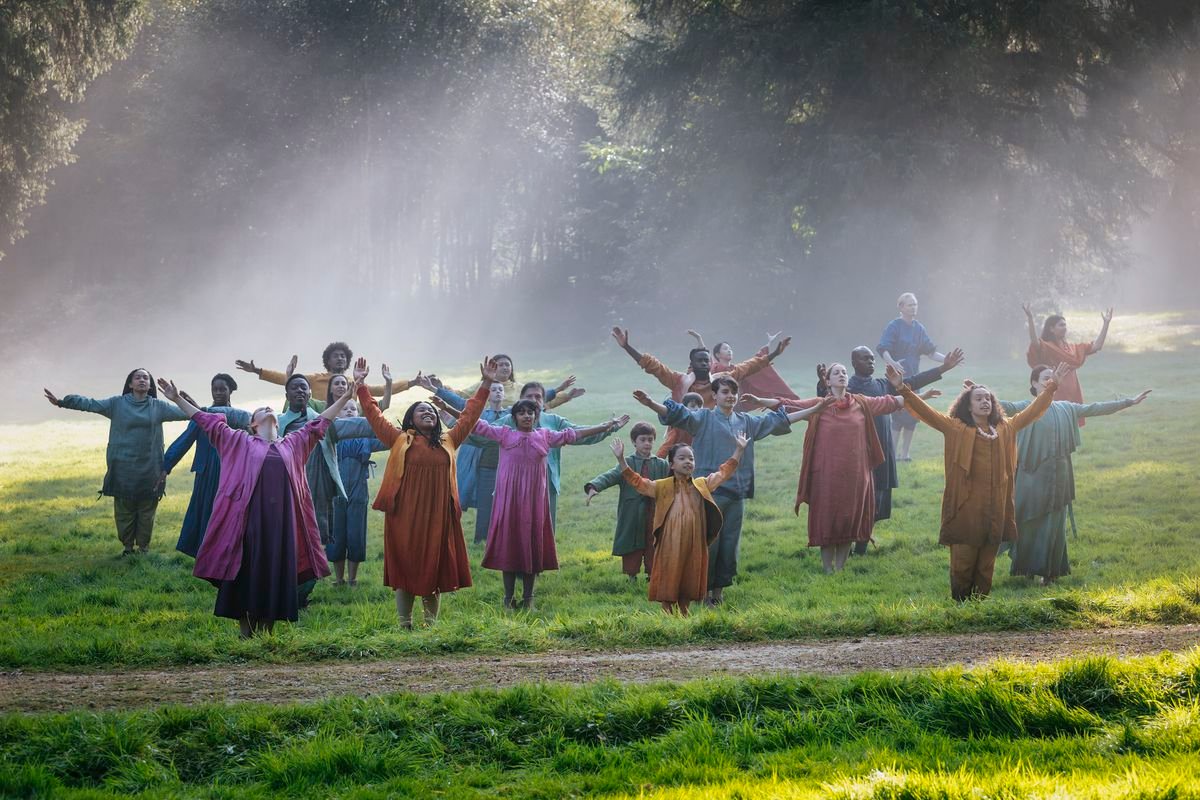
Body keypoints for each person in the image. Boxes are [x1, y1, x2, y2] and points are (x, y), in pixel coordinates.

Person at [155, 373, 357, 637]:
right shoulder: (238, 441)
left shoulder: (293, 444)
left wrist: (344, 398)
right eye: (262, 410)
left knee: (275, 572)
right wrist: (177, 398)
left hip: (281, 526)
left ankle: (266, 633)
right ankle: (245, 632)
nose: (269, 409)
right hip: (247, 524)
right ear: (253, 424)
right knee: (247, 573)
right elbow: (207, 422)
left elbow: (321, 423)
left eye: (270, 409)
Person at [887, 362, 1069, 601]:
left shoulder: (1005, 427)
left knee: (987, 562)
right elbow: (925, 412)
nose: (985, 402)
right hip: (966, 505)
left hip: (996, 505)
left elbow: (1034, 411)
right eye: (979, 399)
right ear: (968, 405)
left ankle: (980, 605)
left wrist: (1051, 386)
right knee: (963, 560)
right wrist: (902, 388)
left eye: (989, 399)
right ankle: (961, 604)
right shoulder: (955, 428)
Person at [353, 358, 497, 628]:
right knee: (406, 566)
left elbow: (470, 414)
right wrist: (360, 384)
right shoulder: (398, 439)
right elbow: (373, 414)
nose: (428, 412)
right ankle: (404, 623)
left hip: (439, 514)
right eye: (421, 410)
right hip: (404, 514)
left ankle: (431, 625)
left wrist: (486, 383)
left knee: (435, 566)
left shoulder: (450, 439)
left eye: (430, 410)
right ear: (410, 419)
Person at [633, 376, 794, 606]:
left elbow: (775, 422)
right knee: (709, 544)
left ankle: (718, 593)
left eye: (733, 392)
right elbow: (679, 414)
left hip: (736, 493)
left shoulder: (745, 421)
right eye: (725, 392)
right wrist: (650, 403)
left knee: (729, 545)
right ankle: (703, 591)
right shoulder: (704, 418)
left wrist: (814, 410)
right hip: (709, 492)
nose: (730, 396)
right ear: (715, 396)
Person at [748, 363, 909, 574]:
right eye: (836, 372)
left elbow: (891, 402)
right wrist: (761, 401)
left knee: (848, 520)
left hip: (855, 476)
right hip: (826, 475)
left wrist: (918, 396)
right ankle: (827, 569)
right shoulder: (818, 405)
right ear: (828, 380)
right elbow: (789, 405)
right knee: (827, 518)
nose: (841, 375)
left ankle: (840, 569)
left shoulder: (861, 403)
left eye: (844, 372)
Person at [998, 366, 1150, 583]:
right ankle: (1028, 568)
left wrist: (1128, 402)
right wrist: (977, 393)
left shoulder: (1066, 408)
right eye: (1045, 378)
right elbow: (1001, 407)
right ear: (1033, 383)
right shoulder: (1024, 407)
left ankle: (1049, 573)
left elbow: (1095, 408)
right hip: (1030, 476)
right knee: (1027, 522)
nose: (1051, 380)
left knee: (1054, 525)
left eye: (1053, 377)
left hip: (1060, 477)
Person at [814, 346, 965, 554]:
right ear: (854, 363)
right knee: (853, 501)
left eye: (871, 358)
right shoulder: (847, 388)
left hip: (883, 449)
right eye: (865, 359)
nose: (871, 362)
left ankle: (861, 547)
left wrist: (944, 368)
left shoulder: (882, 384)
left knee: (876, 502)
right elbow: (826, 403)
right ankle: (845, 544)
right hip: (856, 453)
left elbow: (913, 382)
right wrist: (822, 386)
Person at [475, 400, 624, 610]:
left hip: (534, 503)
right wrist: (448, 409)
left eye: (531, 412)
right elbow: (476, 424)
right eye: (522, 413)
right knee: (509, 546)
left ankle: (529, 599)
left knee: (531, 547)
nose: (527, 416)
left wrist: (605, 426)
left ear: (536, 416)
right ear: (514, 417)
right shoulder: (505, 434)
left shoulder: (545, 435)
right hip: (509, 501)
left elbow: (574, 434)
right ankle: (508, 599)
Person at [44, 369, 189, 556]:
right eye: (137, 377)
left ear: (151, 385)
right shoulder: (116, 404)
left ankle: (143, 549)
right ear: (130, 384)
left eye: (146, 378)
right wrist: (63, 402)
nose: (142, 380)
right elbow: (90, 404)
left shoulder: (159, 407)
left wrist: (182, 400)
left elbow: (188, 414)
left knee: (146, 512)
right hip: (122, 468)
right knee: (124, 511)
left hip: (150, 468)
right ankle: (128, 548)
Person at [613, 432, 748, 615]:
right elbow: (638, 483)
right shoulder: (662, 486)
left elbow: (723, 473)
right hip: (670, 543)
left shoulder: (702, 485)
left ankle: (684, 615)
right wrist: (622, 460)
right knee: (670, 577)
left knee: (689, 578)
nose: (687, 462)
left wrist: (739, 450)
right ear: (671, 464)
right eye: (682, 458)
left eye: (691, 458)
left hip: (695, 543)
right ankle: (667, 616)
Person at [613, 326, 792, 457]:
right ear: (692, 363)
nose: (704, 364)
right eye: (700, 361)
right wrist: (627, 347)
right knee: (661, 470)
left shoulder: (722, 378)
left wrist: (774, 353)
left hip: (711, 436)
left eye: (707, 361)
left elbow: (750, 366)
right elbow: (653, 366)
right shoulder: (678, 380)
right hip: (680, 437)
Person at [162, 373, 251, 557]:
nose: (218, 392)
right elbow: (184, 441)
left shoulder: (239, 418)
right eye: (215, 389)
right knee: (205, 511)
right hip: (207, 472)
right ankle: (206, 553)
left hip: (232, 472)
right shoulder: (201, 416)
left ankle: (230, 551)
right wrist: (165, 466)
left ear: (230, 391)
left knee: (230, 513)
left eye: (222, 389)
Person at [584, 422, 671, 581]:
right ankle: (632, 575)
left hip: (655, 511)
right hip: (632, 512)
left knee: (655, 541)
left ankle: (653, 575)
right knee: (632, 542)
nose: (647, 443)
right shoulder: (627, 463)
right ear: (634, 442)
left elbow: (673, 483)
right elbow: (610, 476)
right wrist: (594, 486)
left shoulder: (661, 464)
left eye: (650, 440)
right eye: (643, 439)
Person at [878, 292, 949, 461]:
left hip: (915, 378)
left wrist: (948, 360)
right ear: (901, 307)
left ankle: (905, 455)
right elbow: (883, 349)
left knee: (913, 414)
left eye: (915, 304)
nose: (913, 307)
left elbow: (931, 352)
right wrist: (893, 363)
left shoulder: (919, 329)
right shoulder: (894, 326)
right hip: (897, 380)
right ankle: (892, 454)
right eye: (910, 305)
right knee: (898, 415)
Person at [327, 398, 389, 587]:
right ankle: (338, 579)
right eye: (344, 408)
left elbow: (389, 440)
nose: (349, 411)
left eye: (353, 409)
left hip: (358, 491)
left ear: (358, 413)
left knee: (356, 533)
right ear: (336, 413)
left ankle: (353, 579)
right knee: (336, 534)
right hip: (334, 492)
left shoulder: (366, 438)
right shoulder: (330, 435)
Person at [1023, 304, 1114, 425]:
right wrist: (1030, 318)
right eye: (1061, 325)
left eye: (1065, 325)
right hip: (1055, 390)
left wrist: (1106, 323)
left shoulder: (1074, 348)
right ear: (1051, 329)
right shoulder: (1048, 346)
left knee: (1071, 424)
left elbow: (1097, 346)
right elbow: (1035, 342)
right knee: (1056, 422)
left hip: (1073, 391)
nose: (1065, 327)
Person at [234, 341, 401, 404]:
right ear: (327, 361)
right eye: (335, 356)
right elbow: (287, 380)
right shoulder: (316, 379)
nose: (340, 359)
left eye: (343, 356)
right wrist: (257, 371)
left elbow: (381, 390)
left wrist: (412, 383)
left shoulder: (353, 383)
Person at [689, 330, 802, 410]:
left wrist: (771, 348)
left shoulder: (735, 370)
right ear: (717, 354)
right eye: (725, 349)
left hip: (735, 406)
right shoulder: (713, 369)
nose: (729, 351)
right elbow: (702, 358)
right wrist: (699, 339)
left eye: (730, 349)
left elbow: (753, 362)